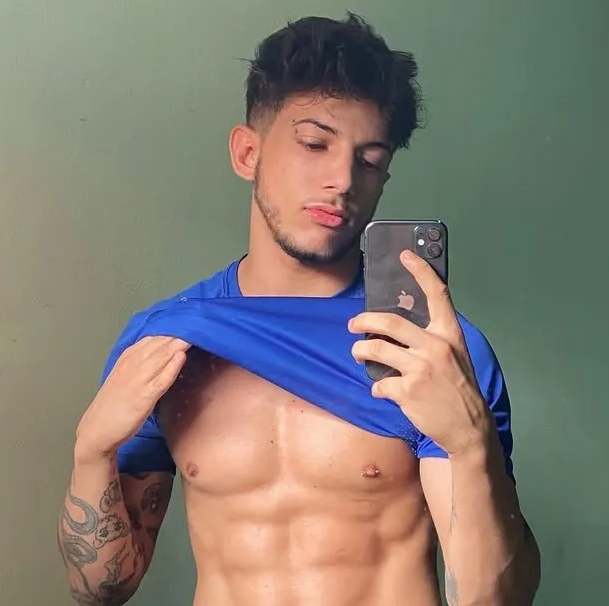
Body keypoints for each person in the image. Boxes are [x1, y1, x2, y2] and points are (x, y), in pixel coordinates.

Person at [57, 13, 541, 606]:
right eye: (315, 144)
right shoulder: (171, 341)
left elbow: (494, 601)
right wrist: (92, 451)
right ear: (247, 152)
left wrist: (469, 443)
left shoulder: (427, 351)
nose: (342, 179)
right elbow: (102, 590)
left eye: (369, 160)